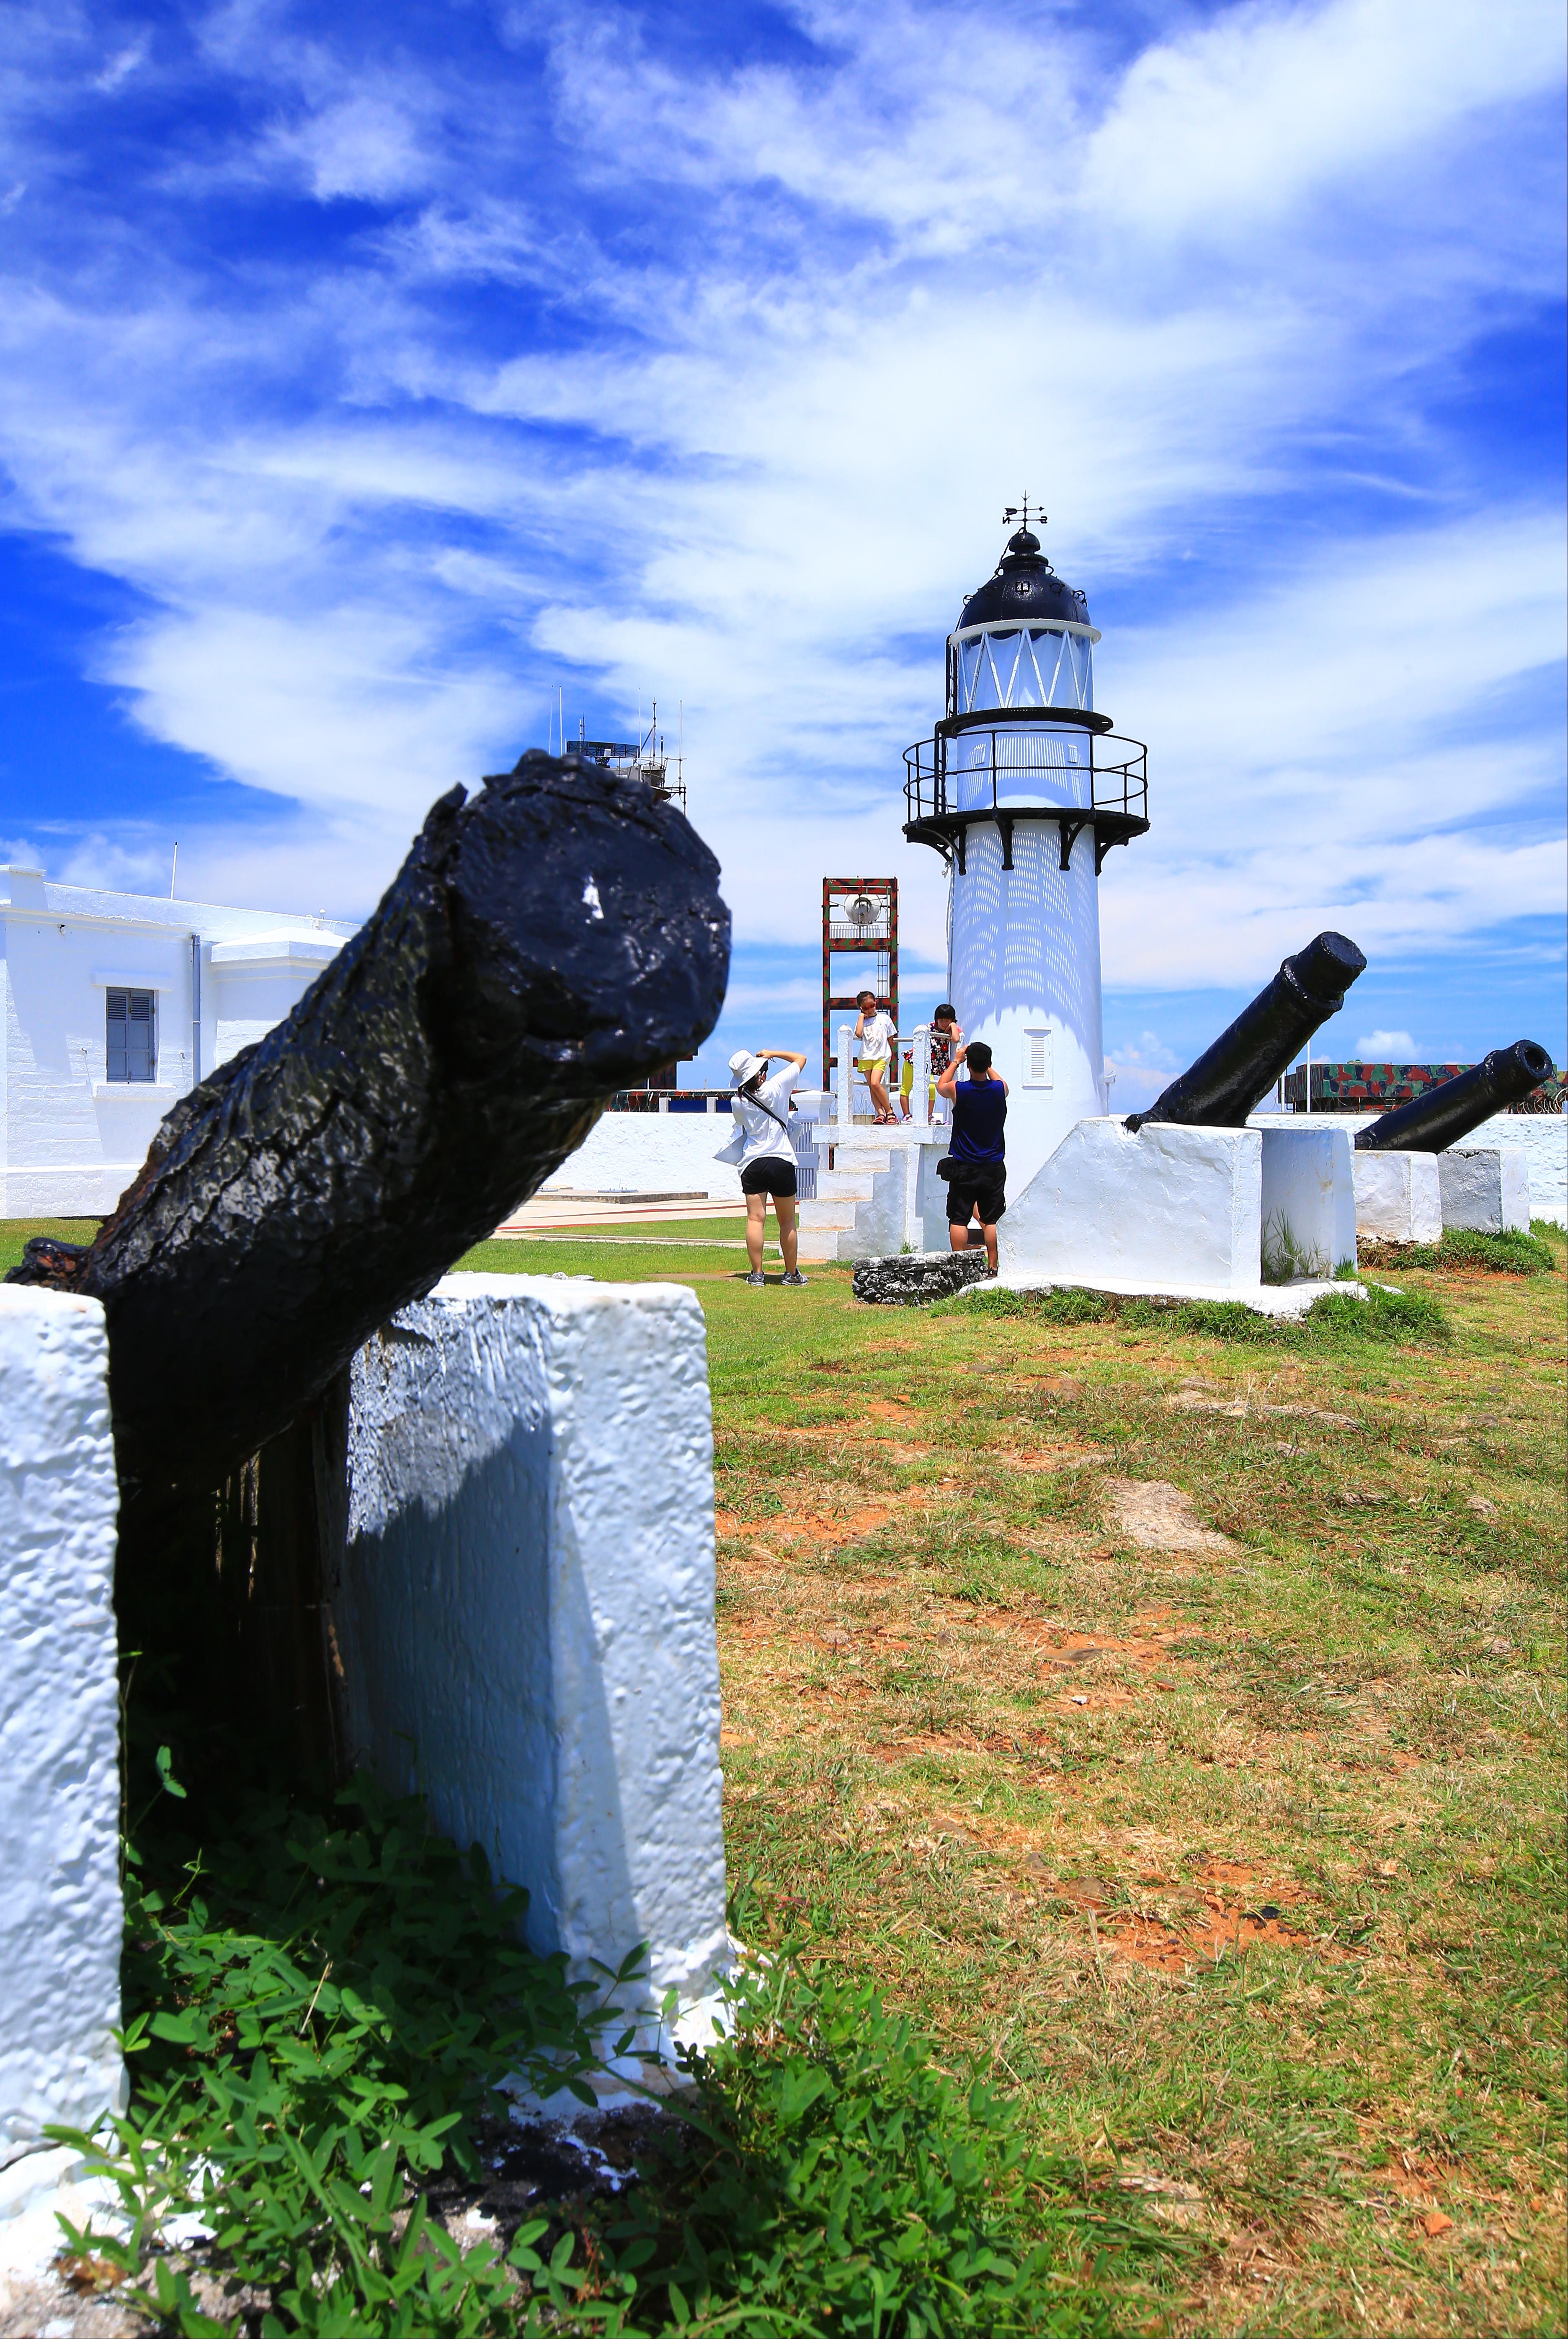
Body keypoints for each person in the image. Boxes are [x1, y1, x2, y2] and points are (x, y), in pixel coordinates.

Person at [726, 1046, 810, 1287]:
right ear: (760, 1073)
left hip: (753, 1161)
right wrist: (772, 1054)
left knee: (755, 1219)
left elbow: (742, 1127)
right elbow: (800, 1059)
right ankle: (791, 1274)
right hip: (781, 1159)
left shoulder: (738, 1101)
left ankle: (758, 1274)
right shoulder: (777, 1087)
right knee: (787, 1221)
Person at [935, 1038, 1007, 1274]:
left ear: (969, 1065)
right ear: (989, 1064)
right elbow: (1001, 1083)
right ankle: (993, 1266)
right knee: (992, 1218)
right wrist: (986, 1064)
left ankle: (960, 1267)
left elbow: (941, 1085)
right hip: (994, 1165)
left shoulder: (960, 1090)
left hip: (965, 1164)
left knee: (959, 1218)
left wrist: (957, 1061)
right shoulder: (999, 1091)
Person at [899, 1001, 962, 1120]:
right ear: (936, 1020)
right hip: (913, 1060)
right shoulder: (930, 1028)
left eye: (947, 1020)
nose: (944, 1023)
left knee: (932, 1089)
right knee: (906, 1088)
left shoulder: (952, 1029)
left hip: (929, 1065)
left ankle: (929, 1115)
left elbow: (956, 1039)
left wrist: (953, 1026)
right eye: (941, 1020)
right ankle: (907, 1115)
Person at [854, 991, 898, 1124]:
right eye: (865, 1008)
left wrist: (888, 1053)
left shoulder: (885, 1019)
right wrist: (862, 1017)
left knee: (875, 1083)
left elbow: (891, 1037)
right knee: (872, 1087)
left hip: (881, 1057)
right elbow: (859, 1033)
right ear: (861, 1008)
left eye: (871, 1006)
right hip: (866, 1057)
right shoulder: (863, 1021)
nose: (870, 1009)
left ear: (876, 1003)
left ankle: (890, 1112)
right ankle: (880, 1113)